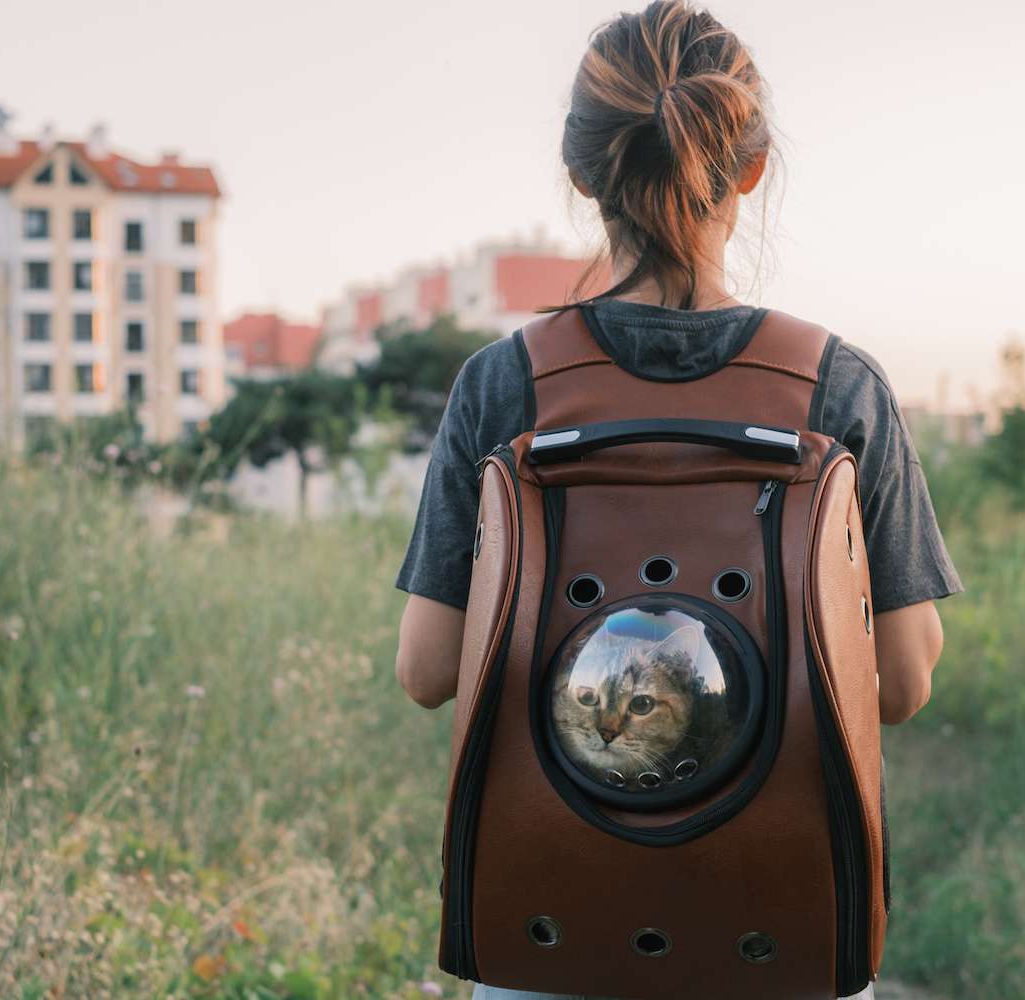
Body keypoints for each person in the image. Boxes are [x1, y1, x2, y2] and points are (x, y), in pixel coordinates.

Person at [392, 2, 962, 997]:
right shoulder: (838, 387)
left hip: (551, 922)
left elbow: (427, 669)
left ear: (582, 174)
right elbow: (905, 684)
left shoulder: (503, 385)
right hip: (779, 922)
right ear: (748, 166)